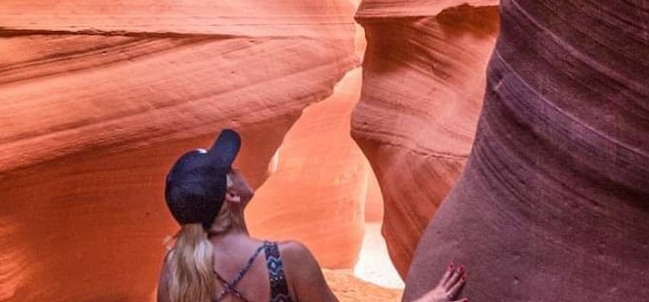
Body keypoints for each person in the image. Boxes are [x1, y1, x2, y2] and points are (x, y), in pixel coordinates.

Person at [157, 129, 469, 302]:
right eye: (230, 169)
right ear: (231, 195)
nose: (238, 168)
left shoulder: (175, 269)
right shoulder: (284, 260)